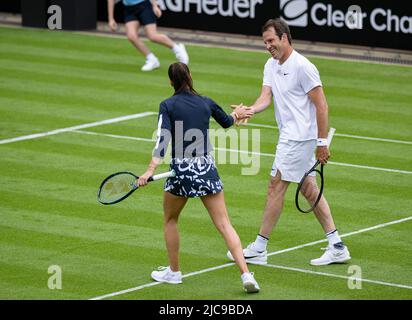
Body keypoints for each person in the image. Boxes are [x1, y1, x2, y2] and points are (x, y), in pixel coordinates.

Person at [227, 18, 351, 266]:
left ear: (284, 38)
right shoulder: (270, 65)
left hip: (300, 137)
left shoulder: (303, 67)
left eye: (271, 40)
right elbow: (265, 98)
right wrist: (249, 110)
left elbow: (322, 105)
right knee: (308, 189)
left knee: (276, 186)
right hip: (291, 136)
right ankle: (337, 244)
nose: (268, 46)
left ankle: (260, 246)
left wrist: (322, 142)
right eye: (265, 42)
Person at [137, 62, 259, 293]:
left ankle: (173, 273)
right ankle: (245, 275)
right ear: (190, 76)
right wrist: (238, 114)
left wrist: (150, 171)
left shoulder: (167, 105)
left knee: (170, 220)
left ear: (170, 82)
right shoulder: (206, 102)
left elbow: (162, 140)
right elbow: (226, 121)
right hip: (206, 167)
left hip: (181, 171)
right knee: (224, 224)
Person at [107, 0, 189, 71]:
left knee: (152, 36)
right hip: (129, 9)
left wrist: (155, 5)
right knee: (131, 36)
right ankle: (152, 59)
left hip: (144, 6)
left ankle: (178, 49)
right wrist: (111, 19)